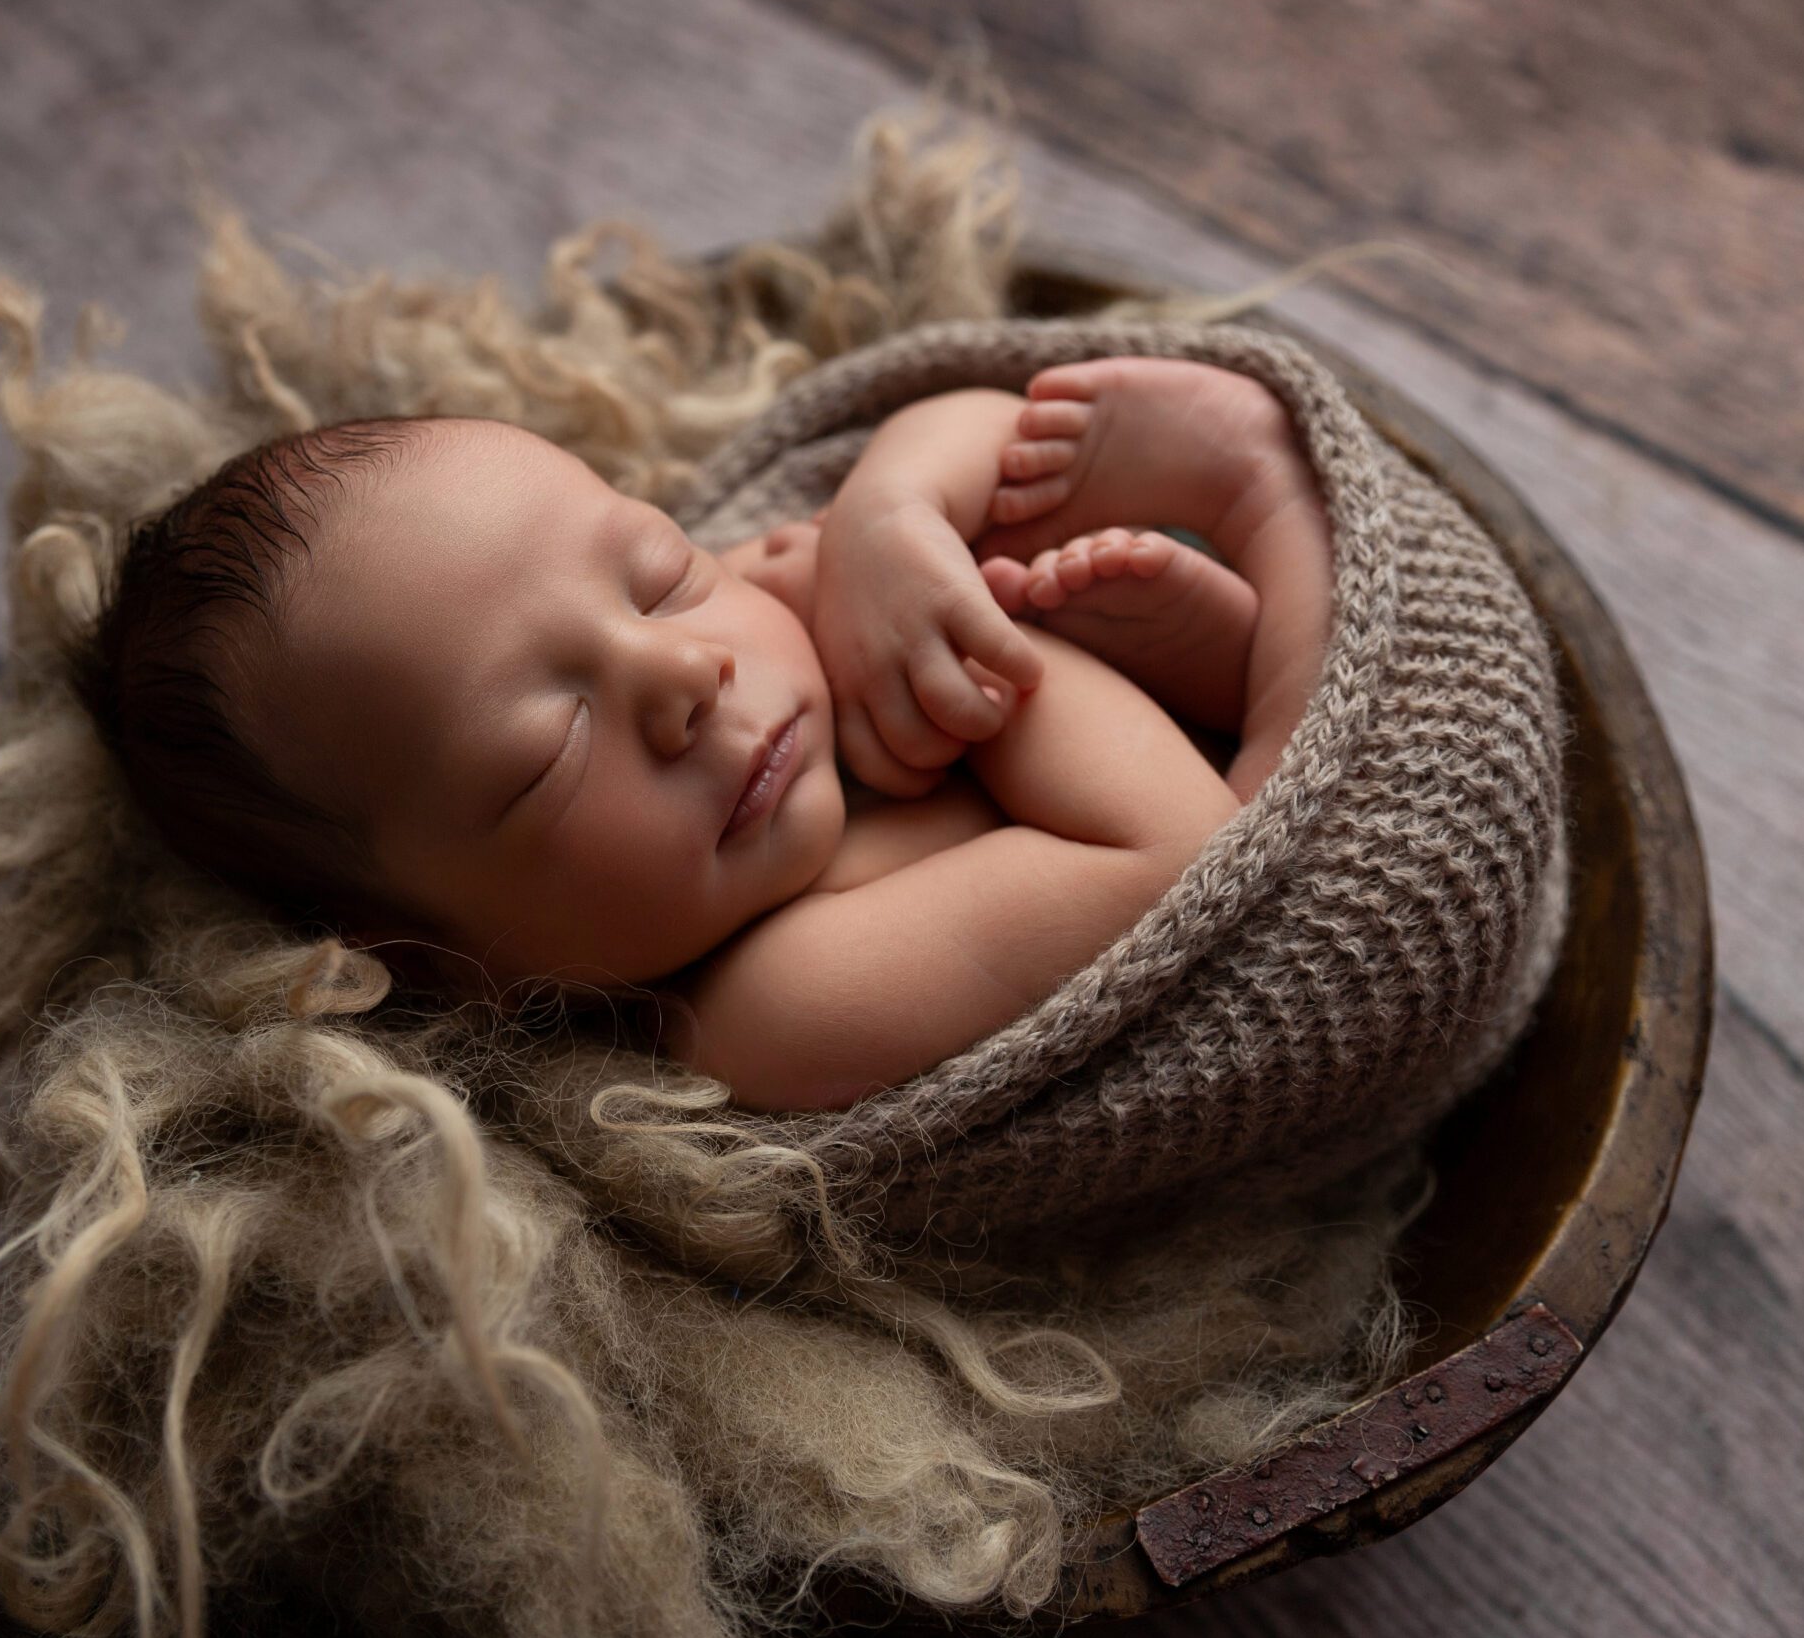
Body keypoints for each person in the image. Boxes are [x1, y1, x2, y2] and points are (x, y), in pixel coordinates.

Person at [75, 358, 1335, 1111]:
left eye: (658, 571)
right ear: (453, 966)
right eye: (549, 753)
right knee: (1311, 808)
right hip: (1256, 862)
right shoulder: (766, 1012)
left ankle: (1212, 633)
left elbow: (974, 421)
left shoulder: (746, 628)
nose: (683, 670)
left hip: (1129, 730)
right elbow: (1182, 863)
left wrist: (892, 521)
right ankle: (1267, 510)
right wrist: (990, 663)